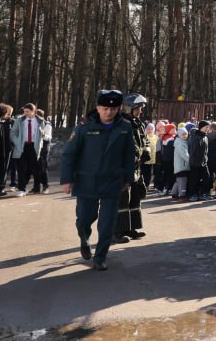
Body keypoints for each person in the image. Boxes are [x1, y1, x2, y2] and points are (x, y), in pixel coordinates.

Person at [59, 90, 136, 271]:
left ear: (118, 109)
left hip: (112, 181)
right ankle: (84, 239)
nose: (109, 112)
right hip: (87, 180)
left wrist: (128, 178)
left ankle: (100, 256)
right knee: (85, 218)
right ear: (98, 108)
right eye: (105, 108)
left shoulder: (125, 127)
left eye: (113, 108)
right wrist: (67, 179)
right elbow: (69, 154)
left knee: (107, 222)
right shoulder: (84, 127)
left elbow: (129, 155)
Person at [114, 93, 150, 241]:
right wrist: (137, 154)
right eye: (137, 108)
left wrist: (146, 151)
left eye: (141, 108)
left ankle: (131, 228)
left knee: (134, 199)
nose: (140, 111)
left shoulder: (138, 123)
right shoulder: (121, 124)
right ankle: (117, 233)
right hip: (123, 170)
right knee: (121, 201)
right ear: (129, 108)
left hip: (136, 169)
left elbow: (145, 141)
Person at [9, 103, 48, 194]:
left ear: (34, 111)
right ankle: (22, 189)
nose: (25, 113)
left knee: (36, 168)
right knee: (21, 168)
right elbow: (12, 133)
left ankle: (43, 185)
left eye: (28, 111)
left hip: (35, 146)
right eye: (24, 111)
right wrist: (17, 142)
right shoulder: (19, 120)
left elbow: (44, 135)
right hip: (22, 146)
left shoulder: (40, 121)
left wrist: (42, 135)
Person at [187, 120, 210, 201]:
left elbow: (206, 151)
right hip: (195, 162)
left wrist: (205, 159)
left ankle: (204, 193)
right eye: (206, 127)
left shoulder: (205, 137)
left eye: (208, 127)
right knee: (194, 179)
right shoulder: (194, 137)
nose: (207, 129)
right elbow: (192, 150)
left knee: (206, 178)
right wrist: (194, 161)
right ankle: (193, 194)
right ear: (201, 127)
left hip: (203, 162)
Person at [172, 123, 192, 199]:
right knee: (183, 181)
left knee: (178, 181)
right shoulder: (181, 144)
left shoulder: (182, 142)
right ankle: (182, 194)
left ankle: (174, 193)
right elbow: (184, 155)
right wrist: (190, 160)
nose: (185, 136)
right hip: (182, 166)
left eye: (186, 134)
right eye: (183, 134)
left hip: (179, 166)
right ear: (179, 135)